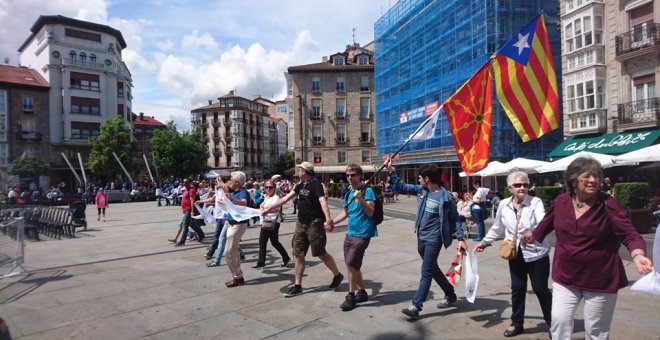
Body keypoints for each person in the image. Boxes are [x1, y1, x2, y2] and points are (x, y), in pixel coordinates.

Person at [521, 157, 653, 339]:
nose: (593, 180)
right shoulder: (561, 202)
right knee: (559, 322)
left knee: (596, 331)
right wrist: (532, 235)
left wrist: (638, 255)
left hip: (600, 280)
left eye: (596, 176)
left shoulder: (608, 204)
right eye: (587, 176)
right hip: (565, 276)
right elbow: (544, 225)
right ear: (574, 180)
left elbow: (630, 235)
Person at [385, 158, 467, 319]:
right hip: (421, 237)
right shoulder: (423, 191)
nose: (419, 180)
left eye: (420, 177)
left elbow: (456, 218)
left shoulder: (446, 197)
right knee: (433, 269)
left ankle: (416, 305)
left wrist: (461, 237)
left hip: (434, 239)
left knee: (426, 271)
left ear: (427, 178)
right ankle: (450, 294)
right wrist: (391, 171)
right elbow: (402, 186)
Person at [475, 171, 552, 337]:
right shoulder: (503, 204)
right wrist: (484, 243)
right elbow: (497, 227)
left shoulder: (535, 202)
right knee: (517, 288)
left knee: (540, 289)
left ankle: (552, 322)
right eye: (518, 185)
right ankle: (517, 323)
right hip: (515, 253)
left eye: (525, 184)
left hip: (537, 254)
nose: (522, 187)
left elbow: (542, 222)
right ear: (510, 188)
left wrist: (533, 232)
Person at [262, 161, 343, 297]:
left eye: (299, 170)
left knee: (320, 253)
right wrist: (269, 209)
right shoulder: (300, 185)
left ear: (304, 171)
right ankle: (297, 285)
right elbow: (286, 198)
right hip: (301, 223)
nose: (298, 171)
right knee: (298, 253)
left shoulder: (315, 184)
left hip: (314, 223)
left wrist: (328, 219)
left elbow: (323, 201)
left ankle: (337, 275)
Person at [331, 164, 377, 311]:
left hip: (363, 233)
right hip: (350, 232)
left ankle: (351, 296)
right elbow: (345, 213)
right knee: (353, 266)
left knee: (351, 264)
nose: (350, 178)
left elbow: (370, 212)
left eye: (353, 175)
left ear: (359, 176)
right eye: (348, 175)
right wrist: (332, 222)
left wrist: (361, 199)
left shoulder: (367, 191)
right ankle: (362, 292)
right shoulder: (348, 193)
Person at [219, 171, 250, 288]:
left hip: (238, 224)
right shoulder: (235, 191)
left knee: (228, 252)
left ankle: (238, 277)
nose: (230, 182)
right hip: (232, 224)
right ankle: (237, 276)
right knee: (234, 251)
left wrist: (232, 200)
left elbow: (244, 203)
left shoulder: (242, 191)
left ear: (237, 182)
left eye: (231, 180)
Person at [254, 180, 290, 268]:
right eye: (266, 187)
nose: (268, 189)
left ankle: (286, 257)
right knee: (262, 242)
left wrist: (266, 211)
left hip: (273, 222)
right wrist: (262, 208)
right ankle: (261, 262)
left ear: (274, 188)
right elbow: (262, 205)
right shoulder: (267, 197)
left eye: (270, 187)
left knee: (274, 242)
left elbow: (276, 209)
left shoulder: (276, 198)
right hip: (266, 222)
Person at [174, 179, 196, 246]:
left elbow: (192, 201)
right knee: (192, 225)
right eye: (183, 182)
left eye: (186, 182)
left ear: (190, 182)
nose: (184, 183)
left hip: (188, 210)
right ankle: (201, 235)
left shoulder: (192, 190)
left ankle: (182, 241)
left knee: (185, 226)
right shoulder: (185, 190)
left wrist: (192, 211)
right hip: (185, 210)